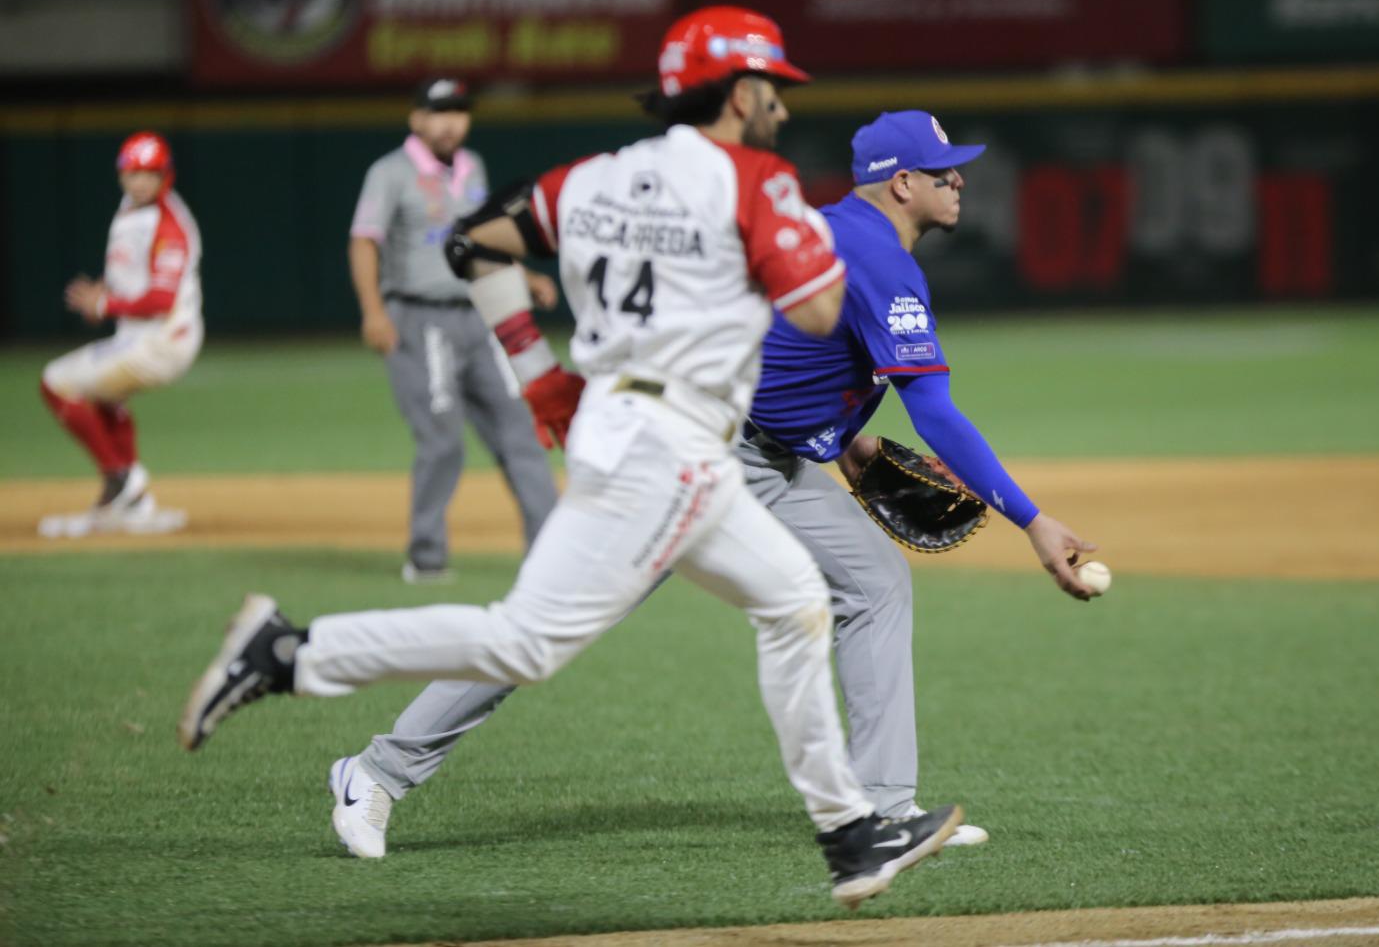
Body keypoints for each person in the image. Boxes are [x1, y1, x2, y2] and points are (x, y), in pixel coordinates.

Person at [179, 6, 964, 910]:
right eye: (774, 90)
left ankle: (855, 834)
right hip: (666, 448)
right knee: (528, 639)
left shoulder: (588, 179)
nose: (780, 108)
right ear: (741, 93)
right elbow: (822, 312)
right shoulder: (757, 182)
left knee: (795, 602)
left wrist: (539, 374)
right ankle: (291, 655)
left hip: (638, 430)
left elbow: (469, 243)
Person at [320, 110, 1101, 863]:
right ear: (900, 184)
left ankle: (885, 809)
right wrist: (1032, 521)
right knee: (548, 628)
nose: (961, 182)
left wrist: (844, 440)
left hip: (766, 459)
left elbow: (782, 348)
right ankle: (375, 772)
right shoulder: (880, 262)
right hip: (681, 459)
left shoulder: (820, 227)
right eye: (945, 172)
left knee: (876, 582)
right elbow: (936, 416)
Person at [348, 77, 560, 582]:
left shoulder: (472, 168)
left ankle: (551, 555)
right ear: (416, 119)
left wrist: (524, 276)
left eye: (459, 112)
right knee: (442, 441)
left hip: (479, 311)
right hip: (418, 319)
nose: (450, 122)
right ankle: (427, 557)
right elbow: (364, 241)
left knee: (520, 430)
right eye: (438, 112)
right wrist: (373, 311)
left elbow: (479, 240)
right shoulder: (391, 172)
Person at [37, 131, 200, 538]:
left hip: (162, 341)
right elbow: (130, 279)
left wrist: (105, 305)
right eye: (133, 173)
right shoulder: (131, 208)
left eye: (150, 173)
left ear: (168, 175)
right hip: (141, 336)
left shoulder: (170, 224)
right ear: (121, 176)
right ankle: (135, 498)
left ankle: (121, 479)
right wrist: (105, 294)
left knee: (54, 383)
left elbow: (161, 298)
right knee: (104, 396)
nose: (141, 181)